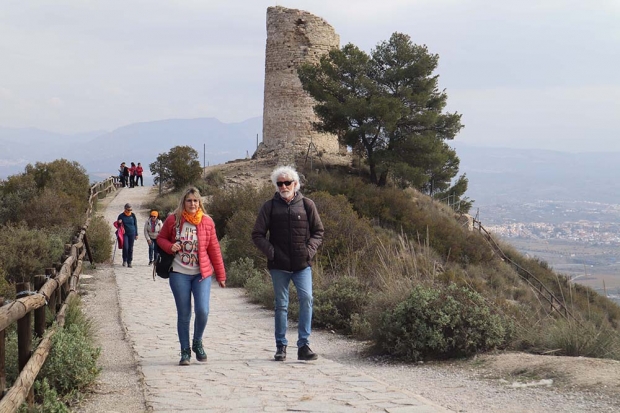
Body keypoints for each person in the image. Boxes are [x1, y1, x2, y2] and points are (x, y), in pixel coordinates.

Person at [251, 165, 324, 362]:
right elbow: (257, 234)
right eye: (280, 183)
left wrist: (309, 251)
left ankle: (303, 346)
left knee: (307, 300)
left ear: (296, 184)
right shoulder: (269, 207)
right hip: (279, 265)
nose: (283, 186)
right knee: (281, 305)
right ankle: (281, 346)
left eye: (287, 182)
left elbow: (318, 231)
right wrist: (272, 253)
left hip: (302, 265)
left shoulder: (307, 205)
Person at [157, 187, 226, 366]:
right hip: (179, 273)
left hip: (201, 274)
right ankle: (185, 351)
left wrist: (221, 274)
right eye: (189, 200)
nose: (193, 204)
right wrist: (169, 246)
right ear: (183, 202)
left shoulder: (207, 221)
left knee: (203, 310)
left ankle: (197, 341)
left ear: (200, 202)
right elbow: (161, 239)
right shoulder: (173, 220)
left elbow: (214, 249)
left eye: (195, 201)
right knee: (184, 313)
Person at [117, 203, 138, 267]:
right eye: (128, 210)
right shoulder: (121, 216)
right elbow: (118, 226)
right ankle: (124, 260)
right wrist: (119, 223)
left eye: (130, 210)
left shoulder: (133, 215)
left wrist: (136, 234)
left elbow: (135, 225)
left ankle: (129, 262)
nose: (129, 211)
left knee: (130, 248)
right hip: (124, 233)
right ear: (125, 209)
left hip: (132, 233)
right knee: (125, 247)